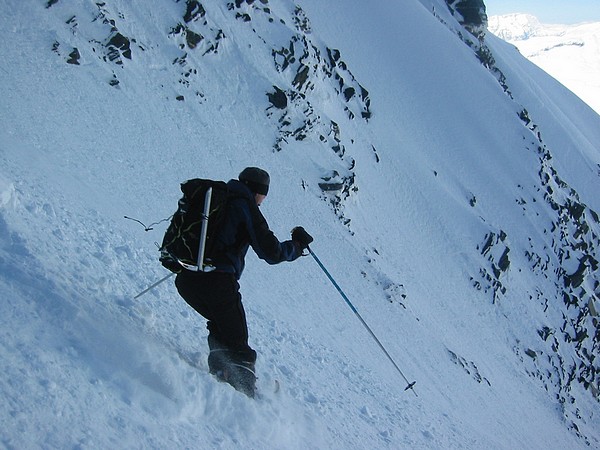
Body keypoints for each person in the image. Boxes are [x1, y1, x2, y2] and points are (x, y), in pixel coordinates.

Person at [174, 167, 313, 397]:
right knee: (239, 346)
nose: (263, 200)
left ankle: (221, 378)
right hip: (217, 282)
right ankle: (246, 397)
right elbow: (272, 252)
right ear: (258, 191)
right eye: (264, 194)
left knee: (221, 327)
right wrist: (296, 247)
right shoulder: (245, 206)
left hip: (187, 279)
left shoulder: (215, 197)